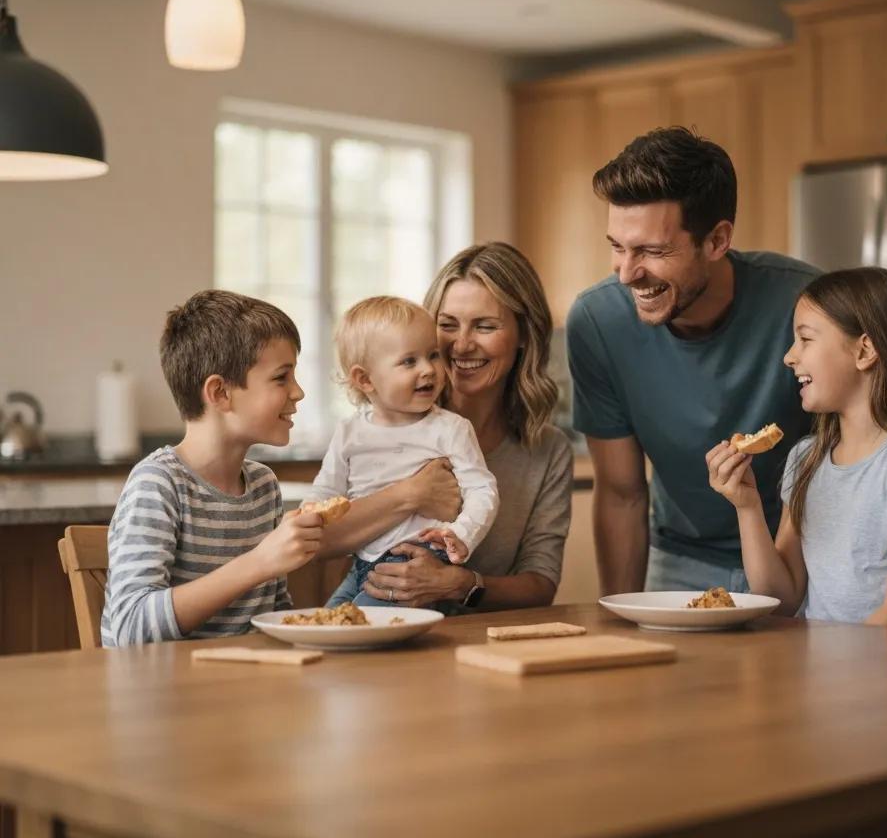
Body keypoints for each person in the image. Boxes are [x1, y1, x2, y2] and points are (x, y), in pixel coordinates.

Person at [566, 125, 818, 598]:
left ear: (718, 240)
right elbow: (621, 493)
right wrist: (622, 618)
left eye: (653, 251)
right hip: (680, 562)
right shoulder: (597, 322)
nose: (626, 274)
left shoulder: (806, 304)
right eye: (618, 247)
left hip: (805, 557)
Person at [707, 267, 887, 629]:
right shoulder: (806, 458)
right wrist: (747, 507)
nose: (789, 357)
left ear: (864, 350)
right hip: (830, 672)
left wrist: (835, 671)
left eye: (805, 339)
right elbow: (781, 599)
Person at [317, 243, 573, 612]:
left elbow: (540, 584)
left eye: (485, 326)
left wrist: (462, 584)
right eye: (447, 325)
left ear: (523, 335)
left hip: (478, 636)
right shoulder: (389, 424)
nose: (462, 345)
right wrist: (412, 494)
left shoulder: (548, 450)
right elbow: (320, 539)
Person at [102, 290, 323, 646]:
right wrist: (259, 562)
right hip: (167, 694)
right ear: (220, 393)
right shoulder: (158, 484)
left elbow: (272, 613)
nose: (298, 392)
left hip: (245, 686)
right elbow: (130, 628)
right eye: (282, 377)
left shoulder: (263, 486)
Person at [307, 296, 498, 608]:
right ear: (365, 379)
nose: (429, 370)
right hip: (361, 565)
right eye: (409, 361)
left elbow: (482, 489)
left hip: (418, 561)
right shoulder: (349, 432)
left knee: (359, 632)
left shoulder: (451, 428)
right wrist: (309, 511)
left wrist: (462, 534)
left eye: (433, 355)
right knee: (326, 627)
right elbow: (328, 489)